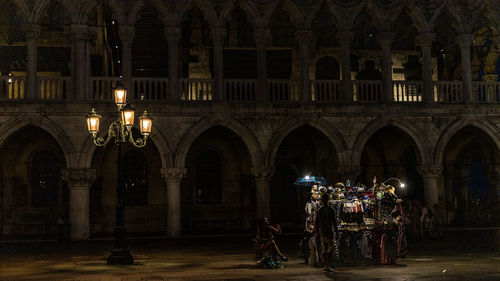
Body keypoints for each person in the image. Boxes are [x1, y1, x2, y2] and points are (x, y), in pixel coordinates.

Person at [314, 194, 338, 272]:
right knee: (330, 248)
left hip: (322, 232)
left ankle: (326, 265)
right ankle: (328, 265)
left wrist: (317, 233)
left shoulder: (319, 211)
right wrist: (336, 232)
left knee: (324, 248)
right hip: (328, 231)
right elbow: (334, 223)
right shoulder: (331, 210)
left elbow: (316, 223)